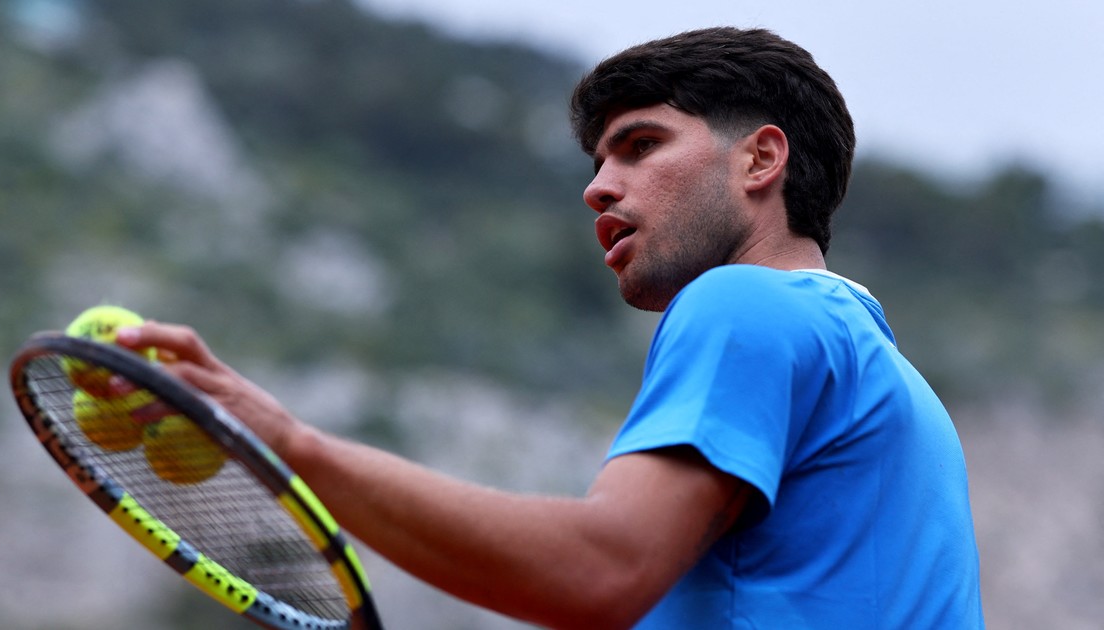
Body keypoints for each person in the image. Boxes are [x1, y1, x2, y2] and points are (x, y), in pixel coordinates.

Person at [117, 26, 984, 629]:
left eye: (641, 145)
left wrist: (287, 444)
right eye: (599, 160)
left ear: (760, 158)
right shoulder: (893, 383)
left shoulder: (746, 303)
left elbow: (600, 573)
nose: (598, 186)